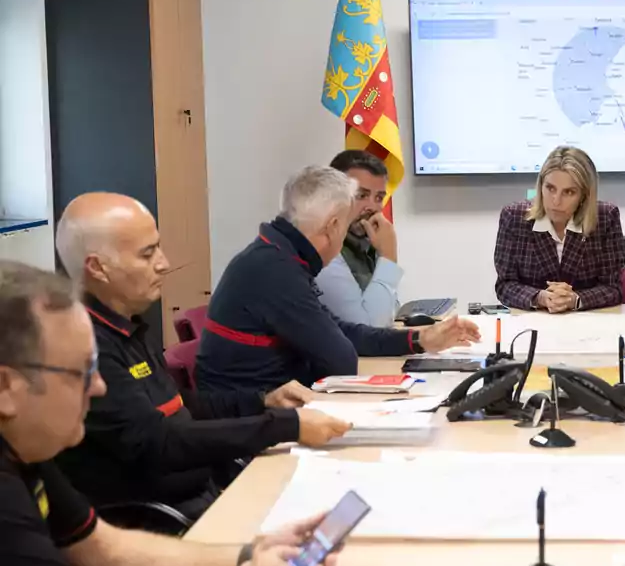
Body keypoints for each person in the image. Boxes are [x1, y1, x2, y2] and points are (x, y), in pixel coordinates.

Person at [0, 261, 339, 566]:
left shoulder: (25, 446)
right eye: (81, 372)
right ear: (6, 386)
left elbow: (105, 548)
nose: (98, 386)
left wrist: (254, 555)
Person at [52, 193, 351, 523]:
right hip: (163, 523)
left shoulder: (128, 328)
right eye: (147, 254)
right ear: (97, 267)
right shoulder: (86, 346)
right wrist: (283, 426)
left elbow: (181, 406)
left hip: (205, 495)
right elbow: (159, 443)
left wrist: (263, 401)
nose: (164, 263)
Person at [196, 166, 479, 393]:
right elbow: (341, 359)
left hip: (265, 410)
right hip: (248, 427)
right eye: (344, 226)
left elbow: (341, 331)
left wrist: (419, 339)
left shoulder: (276, 253)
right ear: (332, 227)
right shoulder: (275, 269)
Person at [493, 146, 625, 312]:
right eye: (550, 188)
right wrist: (540, 297)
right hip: (532, 323)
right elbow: (505, 285)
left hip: (588, 323)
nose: (556, 201)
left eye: (569, 192)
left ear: (584, 195)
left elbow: (614, 288)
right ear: (540, 186)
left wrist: (575, 299)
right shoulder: (514, 218)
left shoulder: (606, 218)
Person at [314, 150, 403, 327]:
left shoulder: (367, 242)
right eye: (361, 196)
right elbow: (369, 329)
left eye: (379, 197)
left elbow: (390, 312)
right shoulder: (325, 248)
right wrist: (389, 258)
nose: (372, 207)